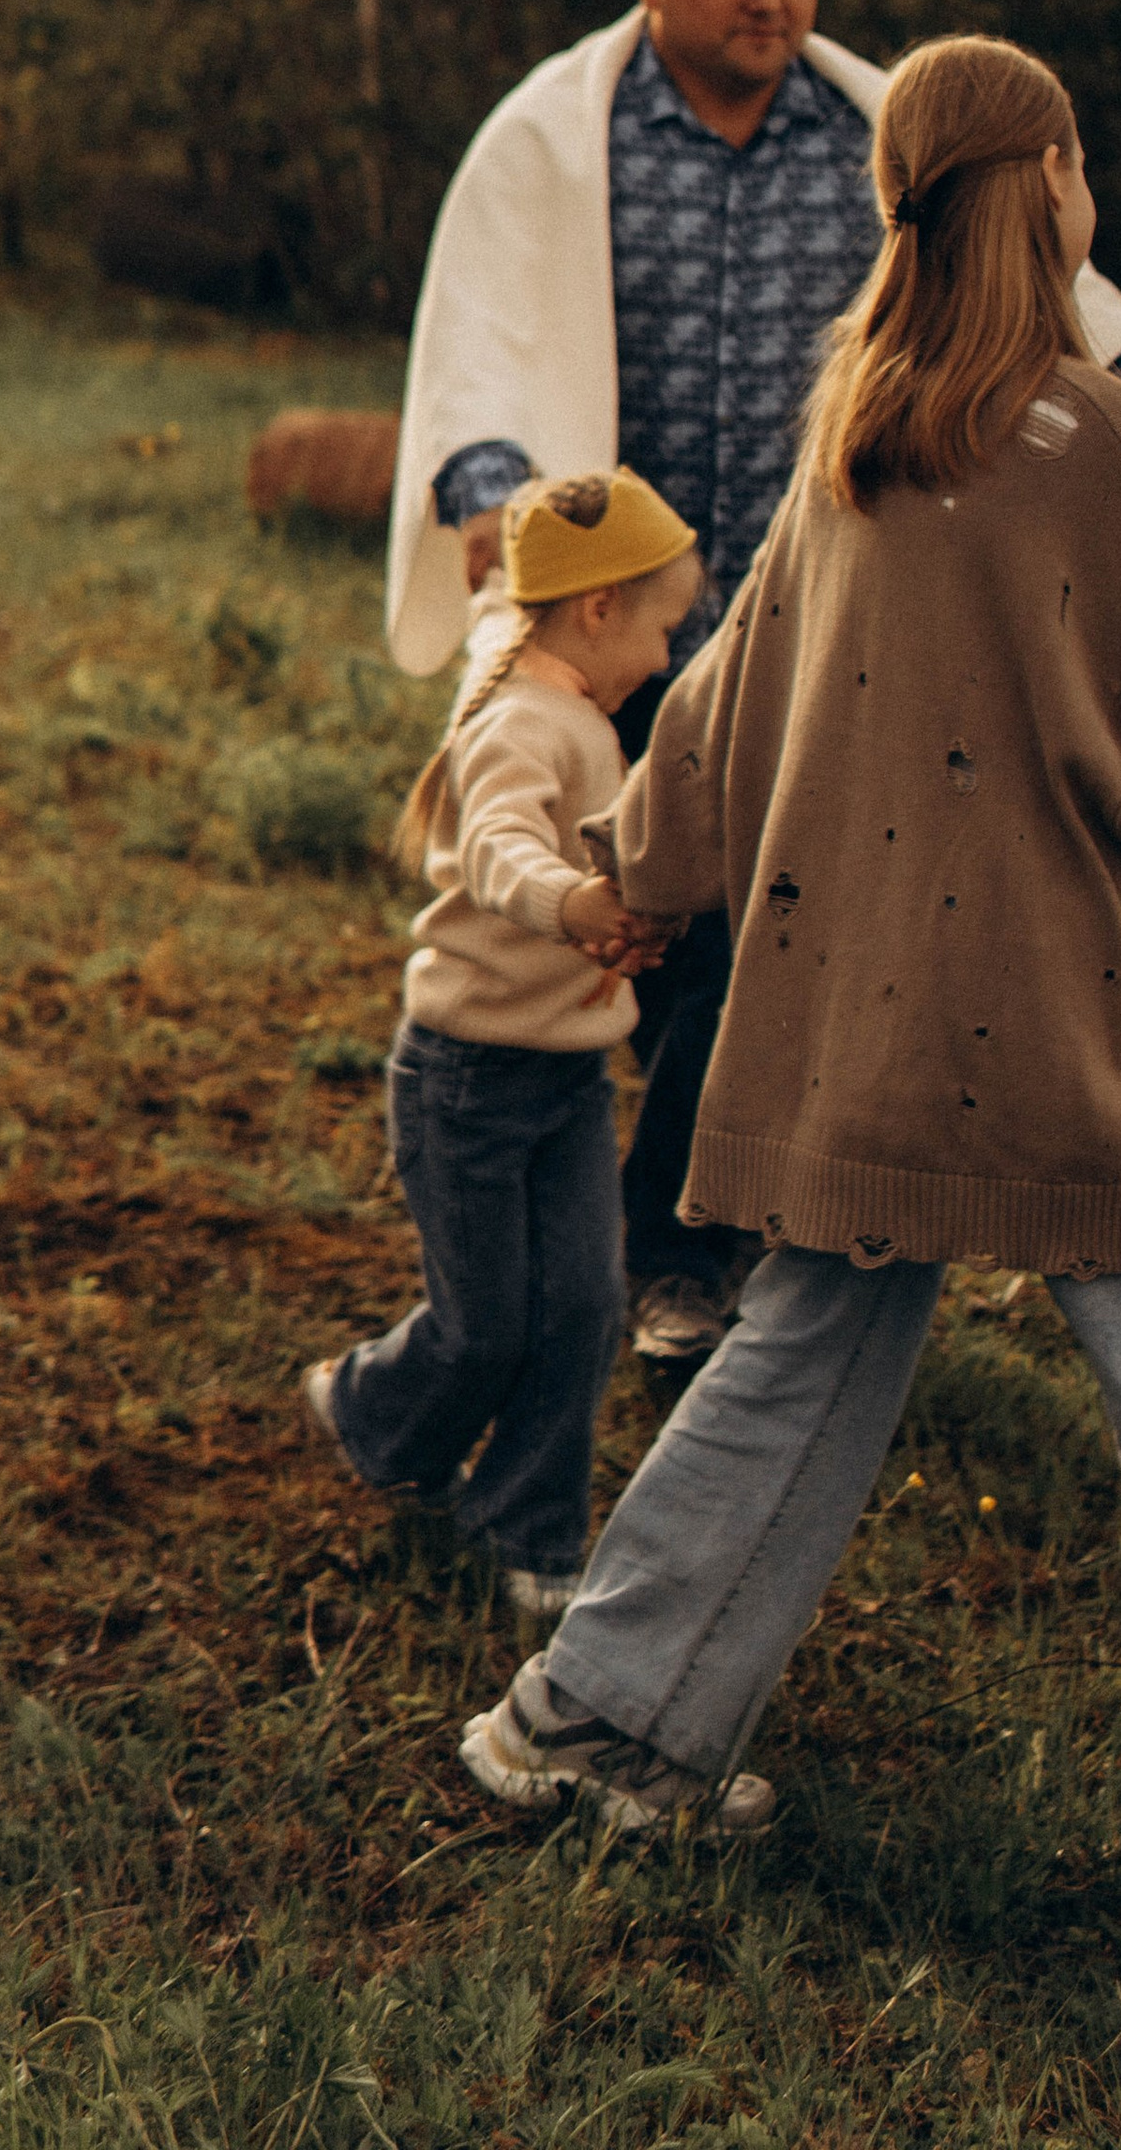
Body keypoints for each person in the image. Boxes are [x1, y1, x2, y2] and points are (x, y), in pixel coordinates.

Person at [456, 35, 1121, 1903]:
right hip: (1053, 1035)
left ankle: (595, 1723)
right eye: (1081, 158)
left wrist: (642, 874)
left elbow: (722, 698)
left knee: (798, 1352)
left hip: (853, 1025)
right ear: (1046, 190)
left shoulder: (855, 420)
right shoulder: (1084, 434)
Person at [384, 0, 1121, 1365]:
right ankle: (532, 1251)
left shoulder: (864, 134)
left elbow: (1036, 274)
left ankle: (683, 1255)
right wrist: (490, 494)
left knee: (754, 927)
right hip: (618, 626)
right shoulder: (558, 141)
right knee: (609, 918)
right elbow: (484, 335)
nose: (768, 2)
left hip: (819, 620)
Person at [301, 470, 701, 1627]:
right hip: (467, 1078)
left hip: (565, 1075)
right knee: (486, 1326)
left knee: (581, 1308)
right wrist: (573, 908)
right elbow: (497, 852)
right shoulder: (525, 723)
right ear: (595, 613)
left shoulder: (566, 701)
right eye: (663, 627)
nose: (667, 656)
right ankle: (372, 1410)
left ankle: (525, 1527)